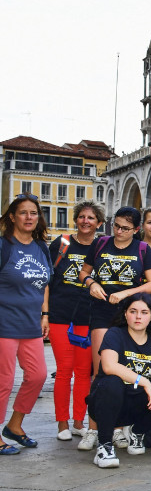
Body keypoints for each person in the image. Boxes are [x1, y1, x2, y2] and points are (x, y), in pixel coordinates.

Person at [77, 206, 151, 452]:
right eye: (116, 226)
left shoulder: (142, 249)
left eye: (126, 228)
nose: (119, 232)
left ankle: (114, 428)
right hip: (102, 312)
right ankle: (93, 428)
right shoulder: (101, 243)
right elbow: (83, 272)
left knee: (125, 370)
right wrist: (90, 283)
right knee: (101, 370)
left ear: (136, 229)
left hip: (130, 315)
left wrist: (127, 292)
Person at [88, 293, 151, 467]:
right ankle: (104, 446)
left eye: (144, 312)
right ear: (125, 314)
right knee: (112, 382)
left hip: (136, 404)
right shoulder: (115, 334)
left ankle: (136, 432)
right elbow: (109, 366)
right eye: (133, 311)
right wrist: (144, 381)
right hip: (106, 403)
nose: (138, 316)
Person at [0, 194, 52, 454]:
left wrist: (45, 314)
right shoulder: (3, 246)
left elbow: (43, 283)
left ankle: (15, 425)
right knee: (3, 381)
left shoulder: (41, 247)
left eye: (33, 213)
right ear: (12, 217)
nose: (29, 217)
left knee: (37, 376)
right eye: (23, 213)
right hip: (4, 324)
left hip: (31, 324)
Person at [48, 200, 103, 441]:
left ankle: (79, 421)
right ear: (75, 219)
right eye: (82, 216)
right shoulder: (62, 243)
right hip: (60, 314)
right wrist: (45, 313)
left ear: (99, 223)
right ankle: (62, 423)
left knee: (83, 372)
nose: (85, 221)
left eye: (91, 218)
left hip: (87, 316)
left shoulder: (102, 247)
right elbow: (47, 280)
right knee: (63, 370)